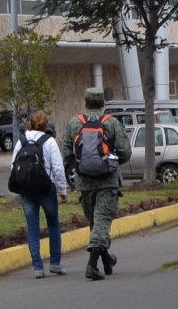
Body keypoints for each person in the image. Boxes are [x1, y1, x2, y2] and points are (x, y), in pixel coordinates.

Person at [61, 87, 131, 281]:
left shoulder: (75, 123)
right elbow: (125, 152)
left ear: (85, 103)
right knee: (101, 222)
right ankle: (92, 265)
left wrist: (79, 164)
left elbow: (66, 151)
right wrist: (110, 161)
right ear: (103, 103)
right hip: (107, 181)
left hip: (83, 182)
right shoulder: (111, 123)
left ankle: (107, 260)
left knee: (95, 222)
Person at [12, 110, 68, 278]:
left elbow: (14, 165)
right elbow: (58, 168)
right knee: (53, 224)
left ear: (29, 122)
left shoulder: (21, 141)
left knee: (33, 229)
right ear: (46, 124)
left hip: (27, 190)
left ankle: (37, 267)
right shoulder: (49, 141)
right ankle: (55, 263)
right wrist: (62, 190)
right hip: (46, 188)